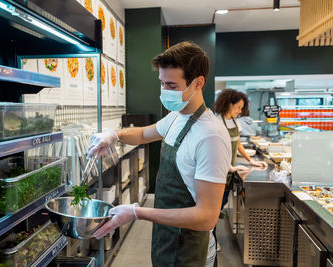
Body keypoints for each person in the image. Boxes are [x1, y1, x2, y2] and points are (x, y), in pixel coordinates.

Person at [89, 41, 231, 267]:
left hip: (191, 249)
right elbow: (144, 134)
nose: (165, 91)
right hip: (166, 238)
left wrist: (138, 213)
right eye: (162, 84)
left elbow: (206, 217)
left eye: (172, 86)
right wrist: (113, 135)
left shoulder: (211, 136)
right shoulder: (176, 116)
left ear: (198, 83)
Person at [213, 89, 267, 251]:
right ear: (228, 104)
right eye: (238, 107)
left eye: (242, 108)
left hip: (229, 172)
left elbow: (238, 145)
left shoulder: (234, 122)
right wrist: (230, 166)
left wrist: (252, 161)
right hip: (218, 172)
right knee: (214, 209)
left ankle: (210, 237)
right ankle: (211, 239)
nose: (240, 111)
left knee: (219, 207)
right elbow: (215, 150)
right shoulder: (217, 123)